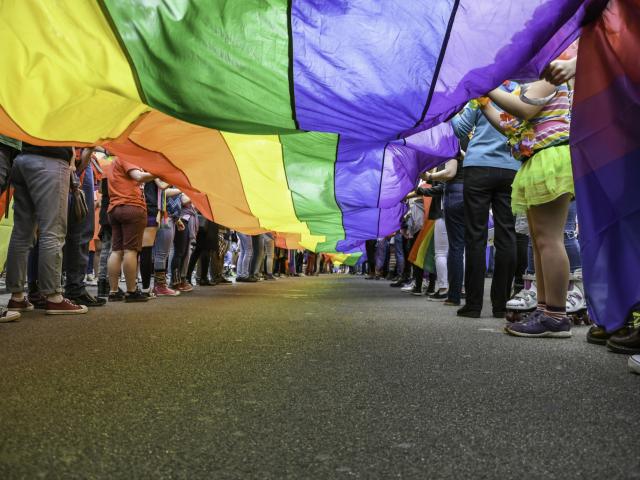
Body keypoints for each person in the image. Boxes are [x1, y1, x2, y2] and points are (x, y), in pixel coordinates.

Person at [480, 74, 575, 338]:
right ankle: (544, 311)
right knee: (538, 240)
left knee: (549, 239)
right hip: (537, 159)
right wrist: (484, 103)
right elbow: (509, 124)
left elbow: (524, 109)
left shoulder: (551, 73)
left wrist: (486, 85)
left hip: (550, 158)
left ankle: (556, 316)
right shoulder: (529, 84)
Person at [451, 92, 520, 319]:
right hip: (511, 168)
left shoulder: (484, 91)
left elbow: (461, 130)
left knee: (475, 236)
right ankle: (501, 305)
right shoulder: (523, 91)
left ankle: (473, 305)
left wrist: (449, 111)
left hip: (478, 167)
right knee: (507, 235)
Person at [6, 144, 87, 315]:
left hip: (22, 158)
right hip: (50, 160)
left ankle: (17, 297)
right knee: (53, 231)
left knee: (21, 232)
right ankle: (53, 297)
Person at [106, 155, 156, 302]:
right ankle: (131, 291)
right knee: (130, 250)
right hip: (132, 207)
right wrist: (159, 173)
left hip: (114, 208)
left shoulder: (113, 162)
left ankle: (114, 291)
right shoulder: (126, 157)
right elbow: (138, 176)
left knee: (116, 251)